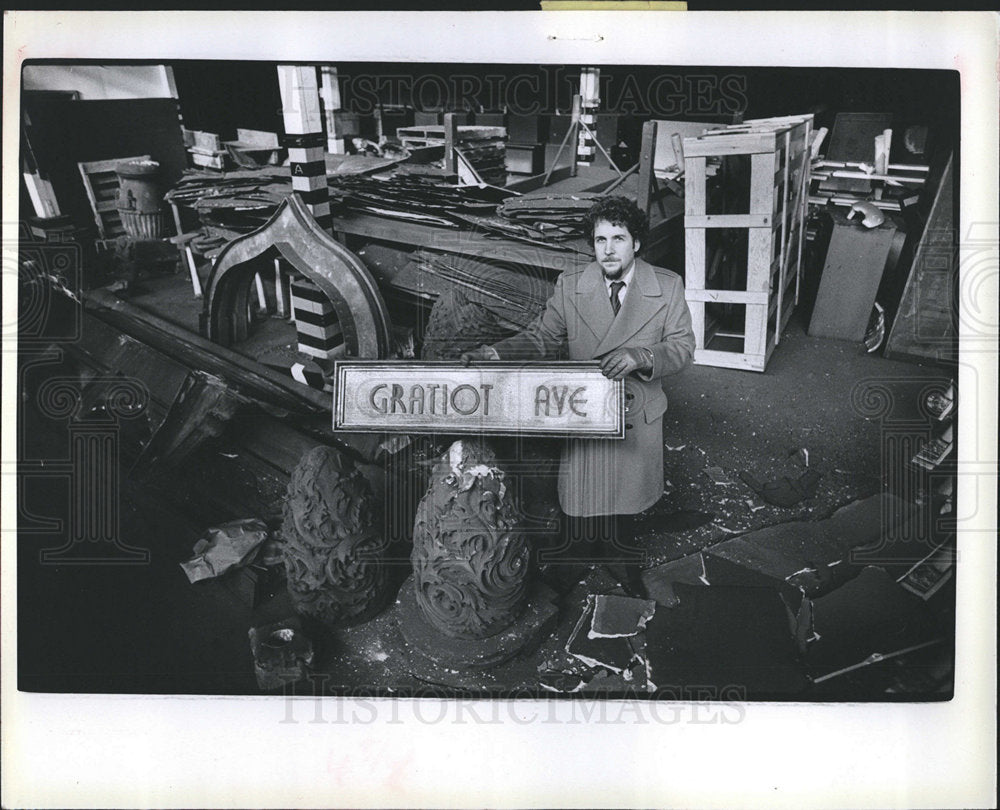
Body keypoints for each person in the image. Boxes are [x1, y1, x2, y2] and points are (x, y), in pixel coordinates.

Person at [461, 195, 696, 571]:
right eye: (600, 240)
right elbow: (542, 336)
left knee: (623, 499)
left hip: (636, 411)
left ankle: (619, 555)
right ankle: (577, 557)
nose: (608, 250)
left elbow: (683, 347)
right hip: (584, 411)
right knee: (583, 494)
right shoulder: (571, 286)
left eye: (618, 238)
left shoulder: (666, 287)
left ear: (635, 243)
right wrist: (495, 354)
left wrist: (643, 356)